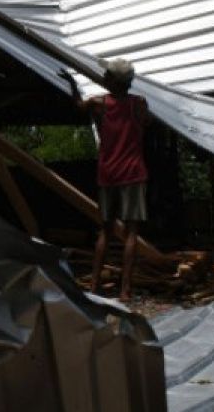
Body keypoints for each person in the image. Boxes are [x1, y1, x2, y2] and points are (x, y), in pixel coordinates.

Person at [61, 59, 150, 300]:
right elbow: (146, 124)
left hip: (108, 173)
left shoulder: (100, 103)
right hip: (133, 173)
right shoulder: (139, 104)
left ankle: (94, 285)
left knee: (106, 231)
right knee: (131, 232)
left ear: (111, 80)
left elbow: (79, 105)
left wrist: (71, 83)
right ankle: (125, 290)